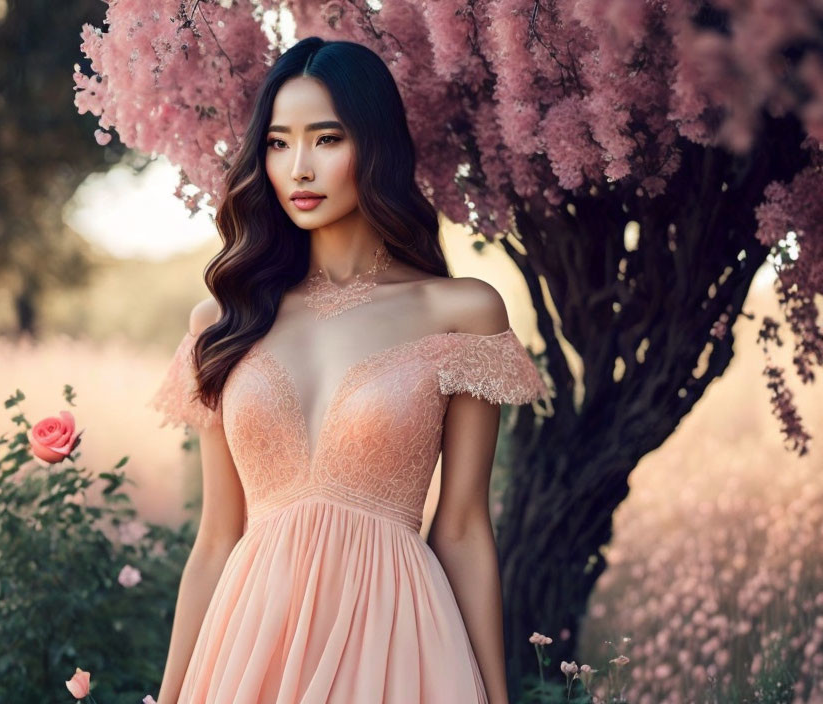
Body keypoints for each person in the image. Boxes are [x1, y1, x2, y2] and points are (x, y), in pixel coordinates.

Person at [147, 36, 550, 704]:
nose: (298, 168)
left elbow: (462, 528)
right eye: (278, 143)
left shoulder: (460, 312)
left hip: (397, 643)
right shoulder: (224, 318)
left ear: (375, 146)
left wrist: (496, 696)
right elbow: (217, 538)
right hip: (251, 649)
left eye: (325, 139)